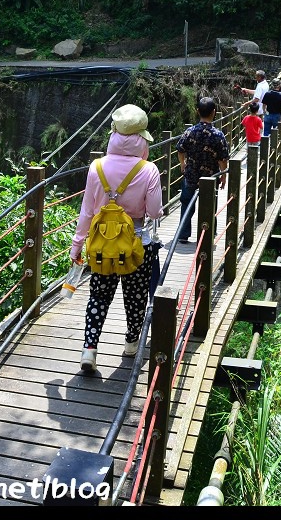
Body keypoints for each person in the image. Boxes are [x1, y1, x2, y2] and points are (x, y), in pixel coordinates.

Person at [71, 104, 164, 374]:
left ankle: (89, 349)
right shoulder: (149, 170)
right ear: (141, 140)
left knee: (99, 297)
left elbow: (87, 211)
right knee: (135, 298)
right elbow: (155, 211)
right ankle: (131, 343)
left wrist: (77, 246)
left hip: (102, 246)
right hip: (136, 245)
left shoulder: (96, 167)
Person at [175, 97, 229, 245]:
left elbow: (180, 149)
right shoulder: (218, 135)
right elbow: (222, 159)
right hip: (210, 176)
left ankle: (183, 235)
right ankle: (208, 234)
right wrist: (223, 176)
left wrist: (182, 163)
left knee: (186, 203)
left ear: (197, 111)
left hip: (190, 174)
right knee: (209, 206)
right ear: (214, 112)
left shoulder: (190, 131)